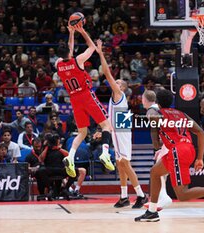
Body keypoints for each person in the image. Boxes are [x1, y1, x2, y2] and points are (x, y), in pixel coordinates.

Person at [135, 90, 204, 222]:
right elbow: (200, 133)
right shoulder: (181, 114)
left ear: (158, 103)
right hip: (186, 149)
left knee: (182, 194)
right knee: (155, 172)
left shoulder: (155, 113)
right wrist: (200, 158)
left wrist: (156, 143)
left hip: (178, 151)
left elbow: (154, 131)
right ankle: (152, 212)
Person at [56, 24, 114, 178]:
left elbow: (69, 48)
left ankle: (70, 156)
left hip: (74, 99)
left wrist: (71, 34)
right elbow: (92, 47)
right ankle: (105, 153)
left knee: (82, 132)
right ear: (69, 52)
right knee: (106, 125)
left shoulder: (58, 65)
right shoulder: (78, 60)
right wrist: (82, 31)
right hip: (86, 95)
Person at [96, 40, 148, 208]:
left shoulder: (118, 94)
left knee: (124, 163)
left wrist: (100, 53)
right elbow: (112, 118)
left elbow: (106, 72)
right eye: (116, 82)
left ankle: (141, 195)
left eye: (118, 82)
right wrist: (103, 130)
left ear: (123, 88)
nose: (115, 83)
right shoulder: (115, 98)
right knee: (119, 163)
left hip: (122, 129)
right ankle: (124, 196)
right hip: (118, 127)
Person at [141, 90, 172, 210]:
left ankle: (163, 197)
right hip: (171, 141)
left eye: (142, 99)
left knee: (158, 171)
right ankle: (160, 198)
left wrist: (157, 145)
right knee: (161, 169)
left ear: (145, 100)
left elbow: (157, 125)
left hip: (169, 142)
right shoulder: (160, 108)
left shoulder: (151, 111)